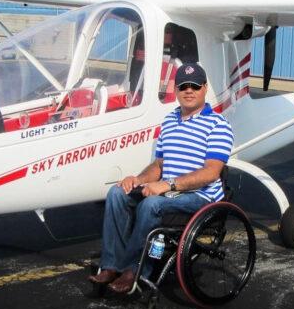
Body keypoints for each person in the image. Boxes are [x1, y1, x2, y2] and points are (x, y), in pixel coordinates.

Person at [88, 62, 234, 293]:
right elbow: (159, 164)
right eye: (183, 86)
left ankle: (134, 270)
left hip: (201, 197)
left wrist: (167, 185)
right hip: (170, 191)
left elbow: (211, 172)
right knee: (117, 193)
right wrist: (138, 180)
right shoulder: (169, 121)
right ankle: (111, 265)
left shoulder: (218, 125)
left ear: (205, 88)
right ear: (176, 90)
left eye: (195, 86)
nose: (189, 91)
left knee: (152, 204)